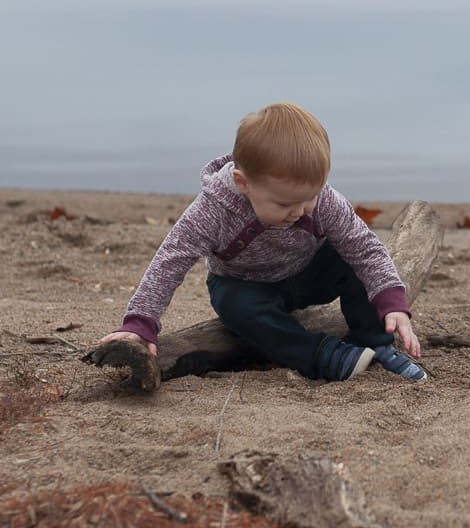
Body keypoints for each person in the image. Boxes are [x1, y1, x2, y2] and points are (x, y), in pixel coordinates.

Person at [97, 102, 426, 382]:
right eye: (284, 204)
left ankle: (375, 343)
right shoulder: (214, 208)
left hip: (309, 273)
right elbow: (171, 259)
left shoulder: (323, 200)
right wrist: (140, 324)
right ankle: (323, 356)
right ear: (243, 184)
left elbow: (364, 247)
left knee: (350, 259)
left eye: (308, 198)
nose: (298, 212)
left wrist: (392, 299)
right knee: (236, 305)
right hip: (247, 285)